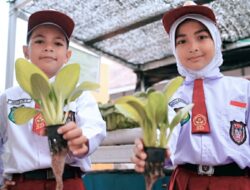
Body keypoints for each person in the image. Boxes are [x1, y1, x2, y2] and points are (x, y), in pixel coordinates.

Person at [132, 1, 250, 190]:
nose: (193, 47)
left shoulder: (243, 90)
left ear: (216, 40)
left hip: (235, 182)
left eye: (202, 37)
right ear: (174, 49)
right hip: (186, 182)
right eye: (182, 41)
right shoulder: (172, 95)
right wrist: (150, 148)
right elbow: (166, 132)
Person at [0, 10, 106, 190]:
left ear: (67, 56)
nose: (48, 47)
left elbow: (95, 126)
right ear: (26, 51)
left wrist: (83, 139)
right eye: (40, 41)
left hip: (69, 181)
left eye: (57, 43)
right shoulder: (7, 98)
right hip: (23, 183)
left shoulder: (79, 93)